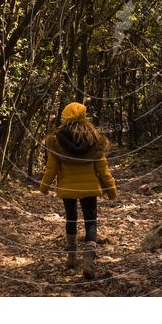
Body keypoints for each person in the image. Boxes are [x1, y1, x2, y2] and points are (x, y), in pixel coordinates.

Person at [40, 102, 117, 279]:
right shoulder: (94, 138)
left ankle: (72, 258)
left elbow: (51, 168)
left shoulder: (57, 140)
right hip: (90, 188)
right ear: (84, 115)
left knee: (71, 218)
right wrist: (111, 189)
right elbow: (103, 168)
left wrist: (44, 187)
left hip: (68, 187)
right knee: (91, 221)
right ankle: (88, 260)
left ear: (65, 116)